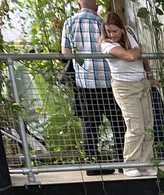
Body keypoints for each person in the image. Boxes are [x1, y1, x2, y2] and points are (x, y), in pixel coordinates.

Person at [61, 0, 125, 175]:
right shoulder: (101, 23)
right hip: (108, 81)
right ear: (95, 6)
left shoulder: (70, 23)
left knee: (90, 124)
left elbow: (66, 53)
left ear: (78, 5)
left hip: (85, 82)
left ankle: (92, 164)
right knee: (117, 122)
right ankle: (122, 161)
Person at [99, 10, 153, 176]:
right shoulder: (106, 44)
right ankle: (130, 164)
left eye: (115, 30)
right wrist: (137, 50)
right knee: (135, 126)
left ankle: (145, 163)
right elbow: (130, 56)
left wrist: (149, 75)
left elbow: (140, 57)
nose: (111, 34)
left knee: (148, 125)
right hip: (124, 87)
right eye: (108, 31)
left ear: (122, 28)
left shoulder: (129, 33)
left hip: (141, 83)